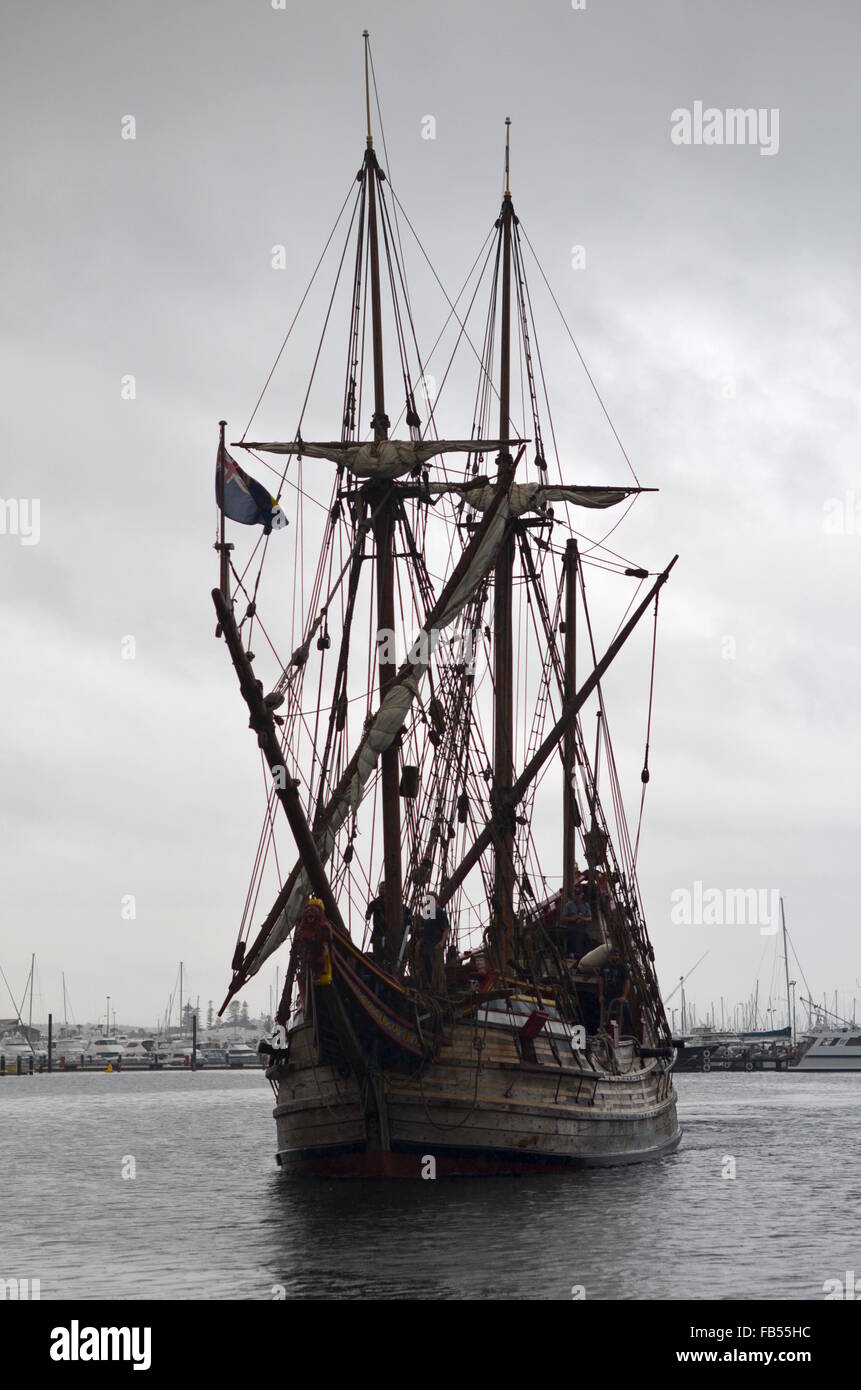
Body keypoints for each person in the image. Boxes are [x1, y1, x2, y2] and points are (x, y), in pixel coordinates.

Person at [598, 947, 632, 1031]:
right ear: (609, 956)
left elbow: (627, 983)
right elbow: (601, 981)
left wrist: (624, 996)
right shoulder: (603, 966)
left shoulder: (623, 968)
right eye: (613, 955)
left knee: (626, 1013)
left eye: (616, 956)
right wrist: (601, 995)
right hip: (607, 996)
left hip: (619, 996)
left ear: (619, 957)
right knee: (608, 1016)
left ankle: (629, 1032)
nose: (615, 957)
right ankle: (606, 1032)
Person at [421, 899, 450, 990]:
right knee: (426, 961)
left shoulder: (439, 912)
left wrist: (441, 942)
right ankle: (431, 986)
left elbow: (446, 929)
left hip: (435, 944)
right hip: (427, 943)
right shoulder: (428, 914)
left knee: (436, 966)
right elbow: (427, 930)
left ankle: (439, 988)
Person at [365, 884, 387, 962]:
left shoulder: (392, 902)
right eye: (380, 888)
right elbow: (369, 912)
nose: (381, 890)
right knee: (377, 952)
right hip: (378, 931)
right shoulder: (375, 902)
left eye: (384, 888)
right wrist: (368, 915)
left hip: (388, 931)